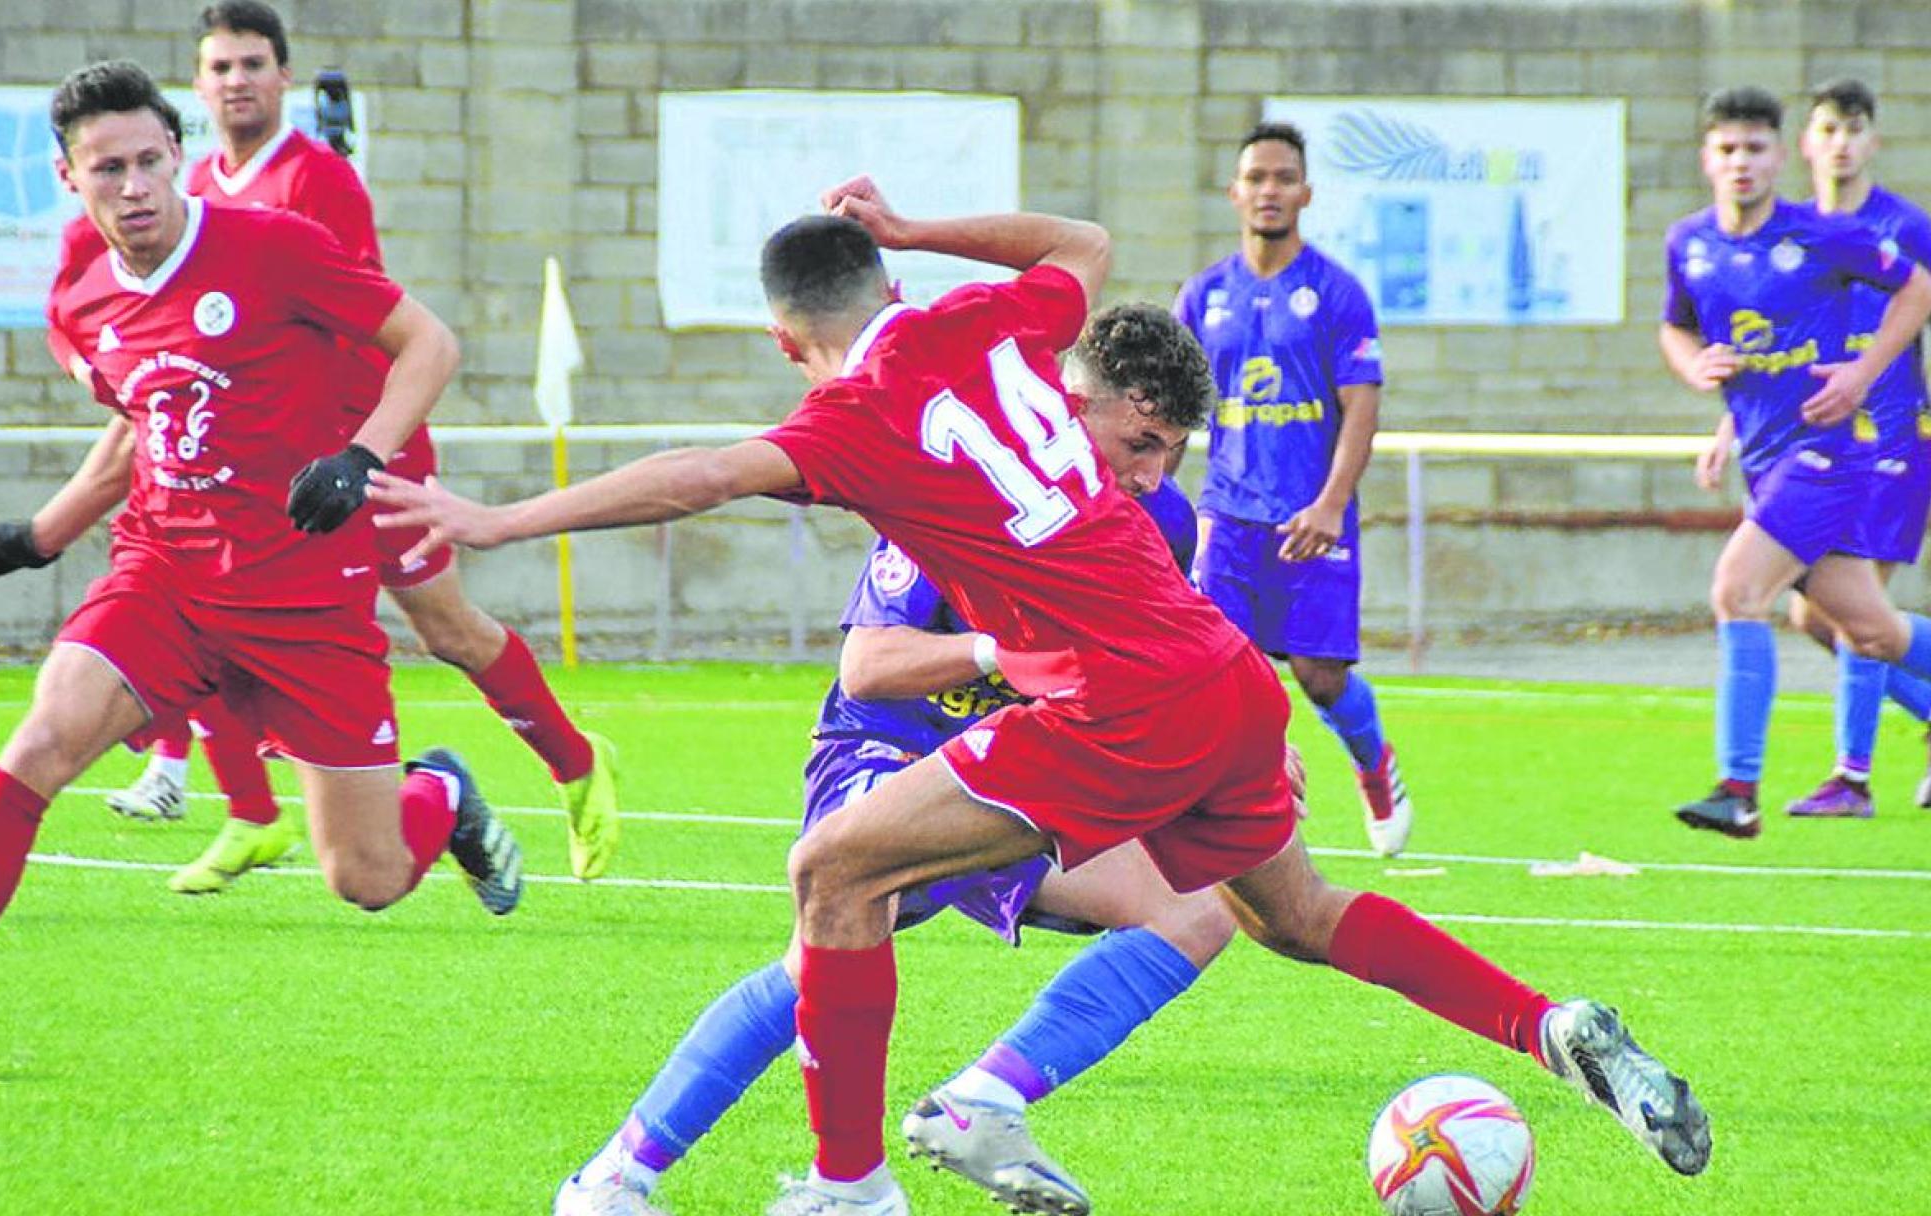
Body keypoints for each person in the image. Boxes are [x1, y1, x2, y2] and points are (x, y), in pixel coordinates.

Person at [375, 178, 1712, 1215]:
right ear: (894, 277)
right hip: (1219, 677)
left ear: (789, 343)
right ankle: (1552, 1026)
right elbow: (1078, 240)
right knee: (1291, 914)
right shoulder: (988, 317)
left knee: (832, 876)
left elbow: (699, 475)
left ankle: (848, 1190)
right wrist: (920, 223)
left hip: (1109, 705)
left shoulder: (844, 422)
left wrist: (490, 519)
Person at [554, 302, 1233, 1216]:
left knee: (1196, 910)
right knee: (822, 955)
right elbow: (869, 668)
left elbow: (1144, 669)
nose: (1153, 478)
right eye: (1141, 444)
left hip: (1011, 766)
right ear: (1074, 409)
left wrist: (1226, 754)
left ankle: (979, 1103)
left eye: (1174, 454)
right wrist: (999, 652)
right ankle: (624, 1180)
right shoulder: (975, 486)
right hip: (884, 752)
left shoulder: (1164, 522)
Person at [0, 0, 623, 895]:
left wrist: (360, 457)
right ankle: (250, 812)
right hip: (173, 566)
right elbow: (148, 417)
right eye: (108, 168)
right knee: (39, 745)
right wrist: (43, 533)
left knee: (426, 685)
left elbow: (397, 336)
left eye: (147, 163)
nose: (132, 186)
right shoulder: (87, 287)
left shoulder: (304, 201)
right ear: (70, 174)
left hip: (335, 495)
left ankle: (507, 773)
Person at [1661, 86, 1931, 839]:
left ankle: (1737, 789)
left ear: (1781, 157)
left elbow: (1916, 287)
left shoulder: (1822, 234)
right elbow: (1675, 327)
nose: (1740, 162)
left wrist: (1861, 373)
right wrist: (1697, 370)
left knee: (1736, 591)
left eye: (1754, 149)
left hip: (1828, 455)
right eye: (1727, 149)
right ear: (1706, 158)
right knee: (1872, 631)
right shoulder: (1690, 242)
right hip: (1765, 458)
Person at [1174, 122, 1412, 857]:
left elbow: (1362, 405)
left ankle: (1374, 763)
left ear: (1305, 193)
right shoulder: (1204, 295)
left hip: (1313, 518)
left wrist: (1333, 504)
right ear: (1235, 191)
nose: (1269, 190)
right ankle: (1250, 809)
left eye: (1284, 178)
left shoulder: (1335, 292)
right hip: (1230, 519)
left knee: (1320, 676)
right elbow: (1173, 405)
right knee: (1222, 676)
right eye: (1257, 177)